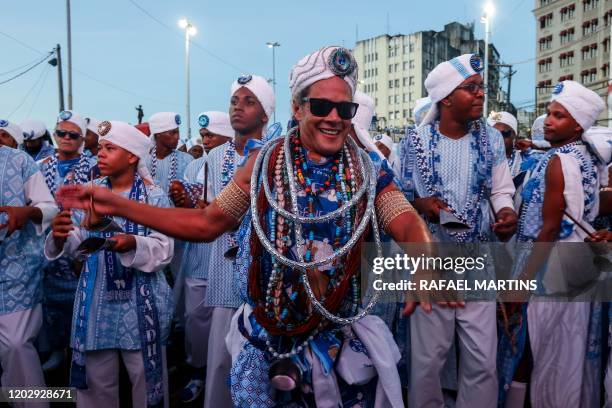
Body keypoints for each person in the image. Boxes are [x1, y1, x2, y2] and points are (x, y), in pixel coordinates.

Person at [56, 45, 432, 407]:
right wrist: (120, 205)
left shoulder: (367, 169)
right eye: (321, 105)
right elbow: (207, 223)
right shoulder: (263, 165)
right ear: (298, 108)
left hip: (344, 345)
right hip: (267, 342)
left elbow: (405, 220)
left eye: (344, 108)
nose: (334, 117)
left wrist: (423, 258)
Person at [397, 54, 517, 408]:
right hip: (429, 264)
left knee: (482, 359)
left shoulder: (491, 141)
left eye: (481, 87)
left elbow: (500, 188)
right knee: (429, 362)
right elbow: (396, 200)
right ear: (446, 97)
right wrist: (422, 205)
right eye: (471, 88)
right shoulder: (413, 143)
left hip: (478, 261)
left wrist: (506, 211)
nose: (481, 94)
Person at [45, 121, 173, 408]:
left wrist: (131, 244)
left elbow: (165, 250)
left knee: (146, 379)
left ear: (131, 156)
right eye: (100, 147)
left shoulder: (154, 197)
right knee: (95, 384)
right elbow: (77, 244)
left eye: (110, 148)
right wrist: (60, 235)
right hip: (96, 299)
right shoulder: (88, 192)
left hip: (142, 304)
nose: (100, 154)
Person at [513, 80, 608, 408]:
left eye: (560, 116)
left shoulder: (560, 161)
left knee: (548, 357)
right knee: (572, 356)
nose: (549, 121)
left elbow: (550, 228)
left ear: (578, 124)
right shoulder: (589, 157)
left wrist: (522, 281)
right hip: (583, 267)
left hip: (555, 270)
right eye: (549, 113)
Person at [171, 111, 233, 403]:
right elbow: (187, 206)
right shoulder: (195, 165)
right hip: (199, 253)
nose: (205, 141)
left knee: (226, 330)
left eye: (211, 136)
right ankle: (197, 371)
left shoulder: (243, 161)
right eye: (203, 136)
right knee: (195, 316)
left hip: (229, 257)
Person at [38, 110, 98, 372]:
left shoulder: (94, 168)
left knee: (81, 304)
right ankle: (56, 349)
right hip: (48, 244)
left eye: (73, 135)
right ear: (54, 134)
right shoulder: (39, 166)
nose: (66, 138)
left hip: (79, 241)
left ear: (82, 139)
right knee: (51, 305)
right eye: (61, 133)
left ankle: (80, 353)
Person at [0, 142, 58, 408]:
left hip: (15, 269)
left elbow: (49, 207)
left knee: (16, 345)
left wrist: (28, 211)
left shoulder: (18, 160)